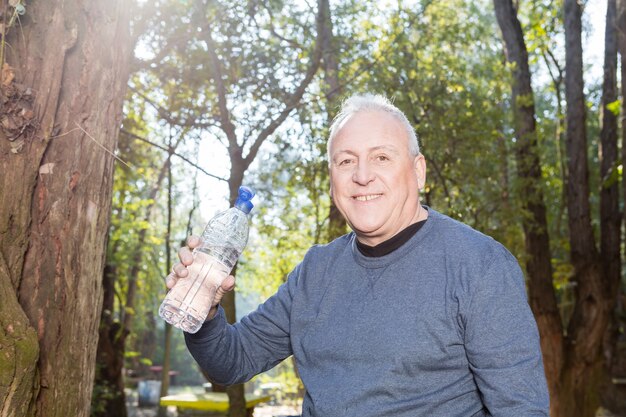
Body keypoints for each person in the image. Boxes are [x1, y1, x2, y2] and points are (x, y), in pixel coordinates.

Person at [167, 94, 550, 416]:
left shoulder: (479, 265)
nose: (362, 175)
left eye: (382, 157)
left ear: (417, 172)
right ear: (332, 177)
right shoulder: (316, 272)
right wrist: (205, 310)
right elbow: (232, 361)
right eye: (346, 160)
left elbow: (521, 408)